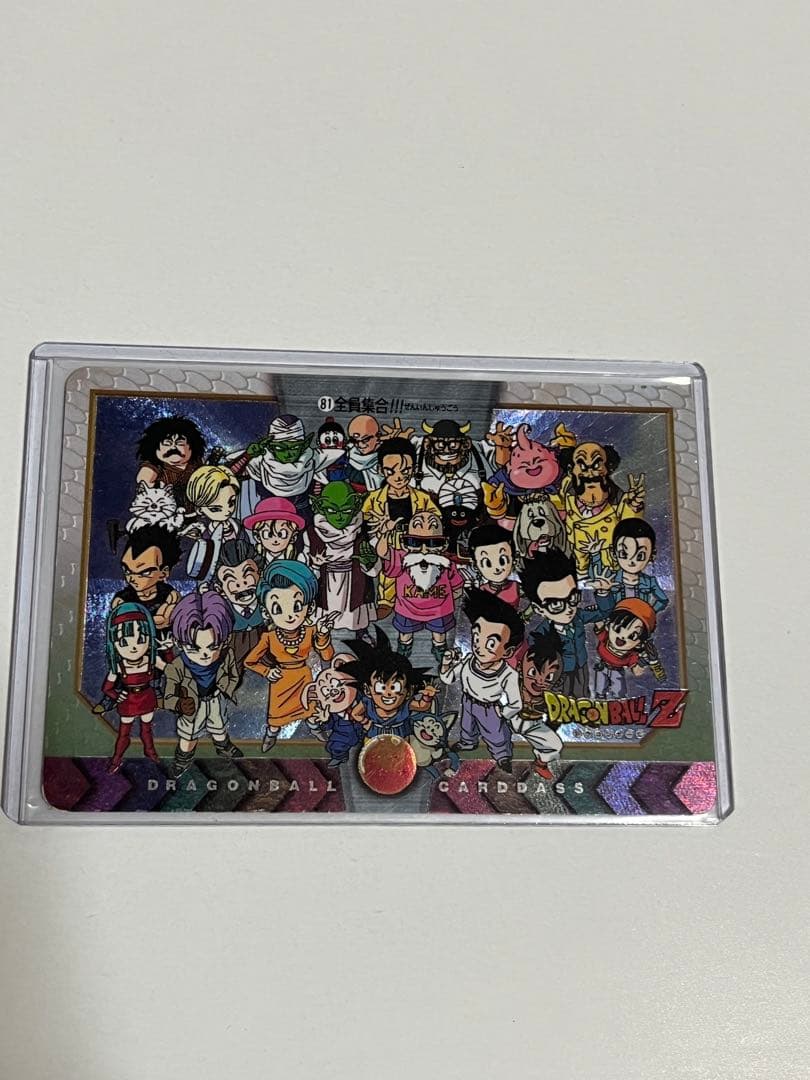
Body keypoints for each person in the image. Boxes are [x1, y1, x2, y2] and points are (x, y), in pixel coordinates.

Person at [243, 560, 336, 752]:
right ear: (267, 611)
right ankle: (270, 736)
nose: (289, 616)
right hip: (281, 681)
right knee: (276, 719)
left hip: (304, 678)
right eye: (278, 608)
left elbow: (327, 656)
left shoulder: (310, 631)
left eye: (297, 606)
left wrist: (323, 634)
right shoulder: (269, 637)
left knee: (310, 711)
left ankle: (315, 729)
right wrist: (267, 671)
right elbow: (250, 661)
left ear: (309, 606)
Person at [440, 588, 524, 772]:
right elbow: (448, 678)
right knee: (467, 726)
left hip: (490, 709)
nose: (479, 646)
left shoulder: (507, 674)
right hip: (468, 701)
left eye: (491, 643)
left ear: (508, 651)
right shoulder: (468, 662)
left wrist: (504, 713)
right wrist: (446, 664)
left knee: (496, 735)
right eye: (477, 636)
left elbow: (516, 703)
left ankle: (502, 755)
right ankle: (468, 742)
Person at [163, 591, 241, 778]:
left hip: (215, 699)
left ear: (225, 640)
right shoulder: (177, 666)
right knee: (188, 735)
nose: (205, 654)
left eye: (213, 646)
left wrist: (227, 688)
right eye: (194, 648)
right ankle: (183, 760)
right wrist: (180, 704)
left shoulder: (226, 655)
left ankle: (223, 747)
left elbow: (233, 675)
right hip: (191, 705)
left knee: (219, 726)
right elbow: (168, 697)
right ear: (179, 643)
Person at [519, 547, 613, 698]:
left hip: (581, 667)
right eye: (556, 604)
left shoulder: (579, 616)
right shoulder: (540, 633)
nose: (569, 608)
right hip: (558, 675)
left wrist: (603, 593)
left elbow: (604, 612)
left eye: (573, 598)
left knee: (582, 696)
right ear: (539, 609)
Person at [362, 436, 439, 617]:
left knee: (416, 571)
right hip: (388, 542)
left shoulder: (421, 498)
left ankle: (415, 600)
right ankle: (386, 601)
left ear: (413, 469)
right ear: (381, 470)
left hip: (415, 542)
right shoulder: (374, 498)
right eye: (391, 471)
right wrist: (377, 532)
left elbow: (436, 518)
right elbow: (364, 521)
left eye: (405, 471)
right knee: (389, 571)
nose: (398, 477)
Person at [375, 509, 463, 665]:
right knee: (405, 633)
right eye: (414, 542)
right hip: (407, 609)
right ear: (405, 542)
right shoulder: (401, 558)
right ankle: (404, 647)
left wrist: (452, 596)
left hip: (439, 610)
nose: (424, 550)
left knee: (439, 634)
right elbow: (383, 553)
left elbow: (457, 585)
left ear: (444, 543)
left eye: (433, 543)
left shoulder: (447, 564)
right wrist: (384, 533)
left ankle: (439, 648)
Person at [95, 602, 165, 773]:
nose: (134, 647)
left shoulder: (151, 660)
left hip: (147, 696)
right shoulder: (119, 666)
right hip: (128, 700)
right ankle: (117, 759)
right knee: (124, 733)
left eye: (140, 639)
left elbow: (172, 670)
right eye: (124, 642)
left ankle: (150, 752)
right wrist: (116, 696)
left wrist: (168, 650)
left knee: (146, 730)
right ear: (114, 644)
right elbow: (107, 688)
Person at [308, 480, 380, 634]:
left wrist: (370, 562)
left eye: (346, 510)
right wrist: (315, 566)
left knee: (356, 614)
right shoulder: (312, 533)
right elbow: (305, 569)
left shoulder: (365, 530)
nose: (340, 517)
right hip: (326, 581)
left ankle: (361, 633)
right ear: (322, 508)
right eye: (332, 510)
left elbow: (375, 570)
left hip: (355, 579)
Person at [342, 628, 436, 740]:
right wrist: (365, 722)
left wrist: (427, 698)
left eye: (395, 687)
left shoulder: (405, 705)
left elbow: (422, 706)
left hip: (401, 742)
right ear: (367, 689)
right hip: (373, 741)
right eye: (380, 687)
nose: (388, 693)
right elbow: (355, 713)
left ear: (408, 691)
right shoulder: (368, 703)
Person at [112, 524, 182, 658]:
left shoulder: (170, 596)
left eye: (144, 573)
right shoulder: (122, 599)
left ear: (163, 573)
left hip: (165, 654)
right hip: (134, 656)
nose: (132, 578)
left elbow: (163, 620)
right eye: (127, 570)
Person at [511, 624, 564, 781]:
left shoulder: (550, 696)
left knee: (556, 745)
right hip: (511, 717)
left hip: (533, 724)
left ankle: (540, 764)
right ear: (520, 667)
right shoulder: (513, 682)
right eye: (533, 672)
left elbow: (556, 715)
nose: (540, 681)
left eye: (548, 677)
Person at [587, 518, 668, 612]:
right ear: (613, 553)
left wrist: (648, 613)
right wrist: (595, 555)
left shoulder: (649, 582)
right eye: (623, 554)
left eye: (640, 556)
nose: (631, 561)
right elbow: (597, 576)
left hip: (638, 620)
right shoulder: (612, 577)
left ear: (651, 556)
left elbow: (663, 600)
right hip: (614, 618)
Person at [593, 598, 664, 697]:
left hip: (617, 671)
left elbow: (636, 670)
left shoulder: (631, 654)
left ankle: (618, 703)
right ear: (609, 625)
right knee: (599, 690)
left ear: (639, 643)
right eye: (618, 629)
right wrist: (595, 613)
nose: (622, 637)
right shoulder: (605, 637)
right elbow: (599, 624)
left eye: (632, 636)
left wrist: (643, 662)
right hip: (601, 667)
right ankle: (600, 700)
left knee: (619, 692)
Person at [213, 538, 265, 671]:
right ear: (220, 589)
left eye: (247, 573)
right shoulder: (222, 613)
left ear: (260, 574)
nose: (241, 583)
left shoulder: (268, 605)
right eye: (230, 578)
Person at [135, 416, 206, 510]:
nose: (173, 448)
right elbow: (144, 479)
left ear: (192, 447)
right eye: (167, 444)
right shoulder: (155, 465)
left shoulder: (196, 463)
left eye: (180, 443)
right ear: (154, 448)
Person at [466, 521, 521, 607]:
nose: (496, 568)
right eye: (487, 563)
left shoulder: (517, 587)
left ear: (513, 559)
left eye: (502, 560)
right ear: (475, 566)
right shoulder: (482, 589)